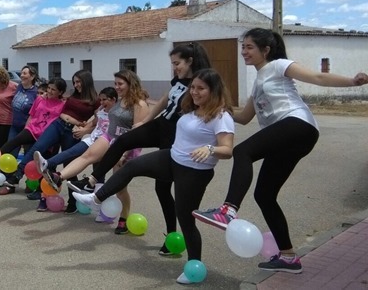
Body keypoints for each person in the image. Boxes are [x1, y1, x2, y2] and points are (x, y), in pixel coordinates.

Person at [193, 28, 368, 274]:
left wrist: (352, 82)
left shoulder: (279, 66)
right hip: (290, 138)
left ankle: (227, 210)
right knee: (264, 195)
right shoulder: (258, 83)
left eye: (250, 47)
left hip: (298, 124)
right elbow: (244, 117)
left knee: (242, 151)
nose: (244, 51)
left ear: (266, 50)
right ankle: (288, 257)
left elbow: (317, 78)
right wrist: (215, 106)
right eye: (243, 47)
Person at [74, 68, 235, 285]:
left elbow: (228, 149)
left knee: (186, 219)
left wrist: (210, 149)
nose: (195, 92)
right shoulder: (190, 109)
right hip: (172, 158)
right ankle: (95, 199)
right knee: (132, 168)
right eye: (193, 87)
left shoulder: (221, 116)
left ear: (213, 90)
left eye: (201, 89)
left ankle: (194, 267)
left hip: (194, 172)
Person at [64, 42, 212, 253]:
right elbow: (163, 100)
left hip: (174, 135)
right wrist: (146, 121)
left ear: (191, 61)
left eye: (177, 63)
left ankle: (171, 238)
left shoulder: (201, 85)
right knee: (124, 139)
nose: (174, 67)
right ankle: (92, 180)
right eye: (172, 64)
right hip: (161, 124)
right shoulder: (180, 80)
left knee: (162, 189)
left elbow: (210, 116)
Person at [39, 70, 151, 217]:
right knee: (86, 156)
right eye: (115, 83)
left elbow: (138, 134)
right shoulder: (120, 101)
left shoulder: (139, 104)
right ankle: (58, 177)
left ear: (131, 84)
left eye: (120, 84)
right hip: (109, 137)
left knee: (120, 188)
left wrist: (125, 154)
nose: (117, 87)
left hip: (126, 145)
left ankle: (124, 216)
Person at [1, 70, 99, 195]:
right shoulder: (73, 95)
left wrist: (85, 130)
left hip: (72, 133)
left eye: (78, 82)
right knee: (37, 149)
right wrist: (44, 95)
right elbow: (58, 103)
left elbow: (98, 121)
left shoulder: (95, 100)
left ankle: (72, 201)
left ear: (86, 81)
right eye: (74, 82)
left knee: (68, 164)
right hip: (58, 125)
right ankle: (17, 176)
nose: (76, 85)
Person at [0, 78, 67, 194]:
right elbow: (32, 115)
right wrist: (26, 128)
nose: (49, 91)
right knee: (14, 141)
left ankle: (39, 190)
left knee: (41, 163)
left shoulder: (63, 105)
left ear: (60, 92)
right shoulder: (40, 99)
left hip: (46, 136)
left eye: (53, 90)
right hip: (32, 129)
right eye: (49, 88)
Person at [4, 65, 40, 155]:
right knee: (11, 153)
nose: (21, 75)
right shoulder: (19, 87)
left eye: (25, 73)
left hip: (28, 130)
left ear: (32, 77)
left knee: (28, 154)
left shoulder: (36, 93)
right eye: (21, 73)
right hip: (15, 127)